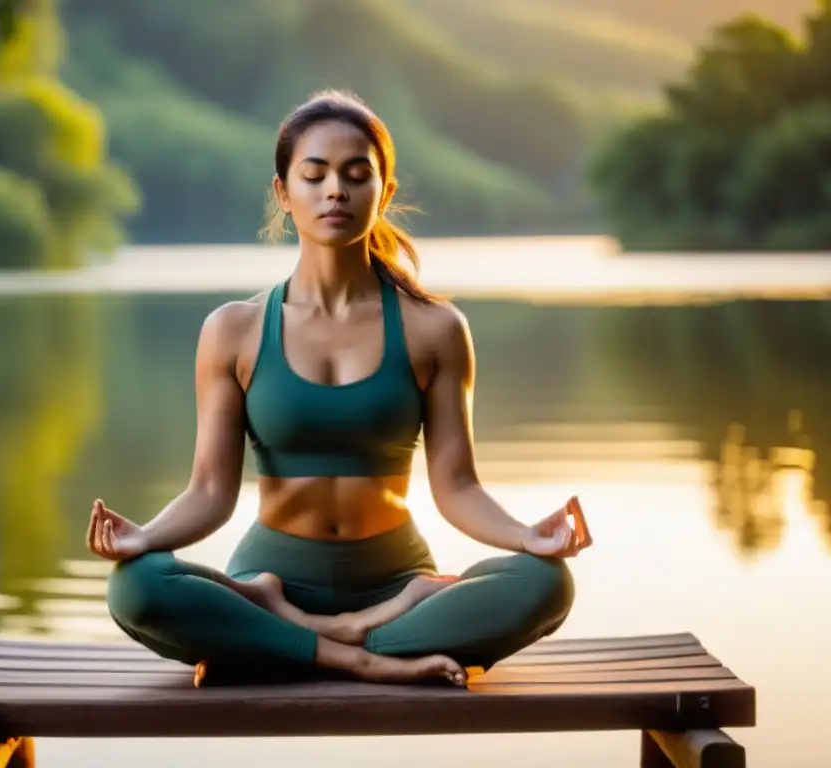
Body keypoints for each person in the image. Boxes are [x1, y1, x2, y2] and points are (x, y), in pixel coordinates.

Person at [85, 89, 588, 688]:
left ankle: (287, 640)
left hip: (399, 580)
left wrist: (527, 535)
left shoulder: (435, 329)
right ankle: (360, 651)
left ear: (385, 193)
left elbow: (456, 486)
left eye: (357, 175)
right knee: (136, 585)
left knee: (546, 582)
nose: (335, 191)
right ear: (283, 192)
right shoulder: (234, 331)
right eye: (314, 174)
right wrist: (144, 536)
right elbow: (210, 491)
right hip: (267, 577)